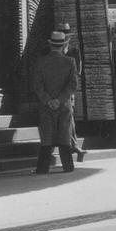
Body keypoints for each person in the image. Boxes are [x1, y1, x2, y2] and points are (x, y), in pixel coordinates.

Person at [32, 25, 80, 174]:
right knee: (64, 134)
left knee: (47, 136)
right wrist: (60, 99)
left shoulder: (41, 62)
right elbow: (73, 84)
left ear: (50, 44)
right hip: (64, 104)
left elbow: (37, 85)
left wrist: (48, 100)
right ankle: (68, 166)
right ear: (64, 45)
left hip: (46, 106)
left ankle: (43, 167)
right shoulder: (70, 62)